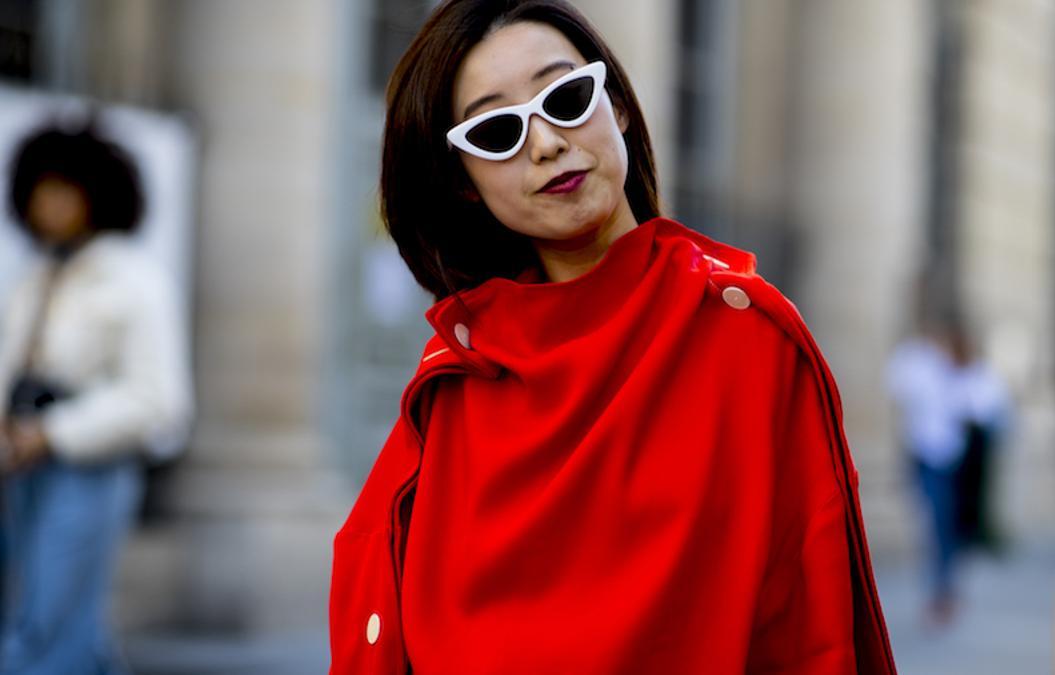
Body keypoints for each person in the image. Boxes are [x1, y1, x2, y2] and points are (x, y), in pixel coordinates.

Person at [328, 1, 896, 672]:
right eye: (496, 131)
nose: (545, 143)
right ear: (466, 184)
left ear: (617, 105)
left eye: (567, 97)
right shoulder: (455, 381)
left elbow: (810, 630)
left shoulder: (751, 340)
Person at [0, 121, 193, 674]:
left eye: (66, 190)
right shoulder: (33, 273)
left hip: (86, 469)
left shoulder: (134, 278)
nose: (52, 204)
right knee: (53, 619)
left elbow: (159, 400)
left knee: (54, 622)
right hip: (22, 468)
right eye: (42, 189)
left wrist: (53, 433)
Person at [886, 314, 1008, 628]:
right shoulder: (922, 364)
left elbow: (988, 409)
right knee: (936, 525)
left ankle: (943, 592)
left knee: (945, 527)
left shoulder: (973, 374)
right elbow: (899, 387)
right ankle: (943, 590)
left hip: (958, 464)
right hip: (925, 456)